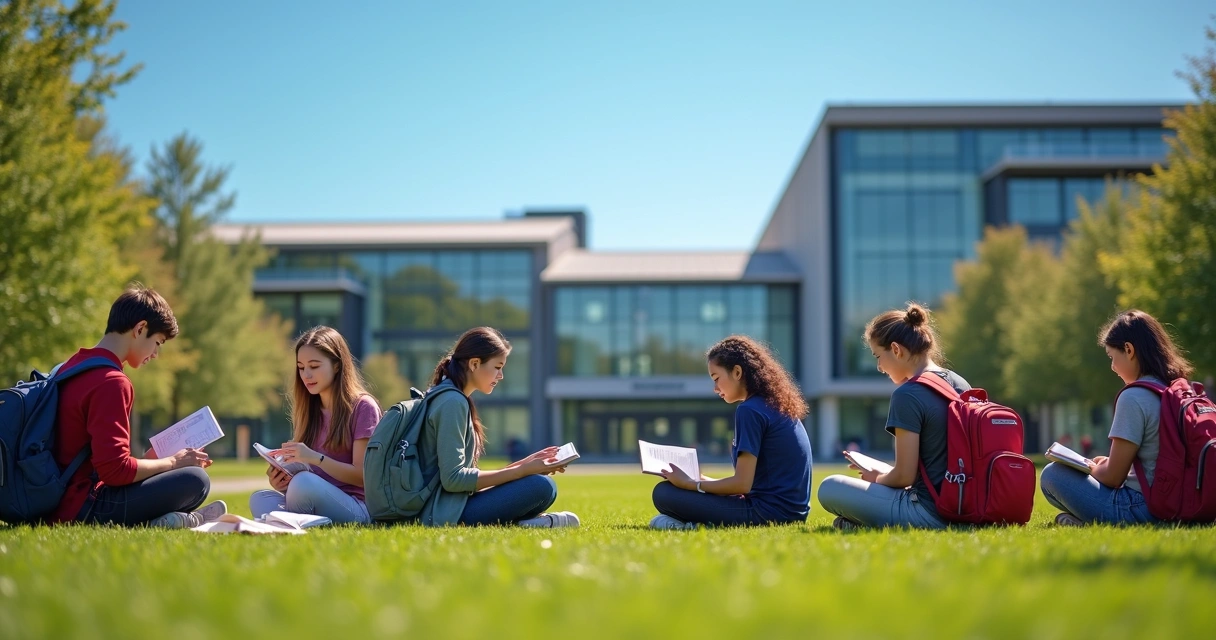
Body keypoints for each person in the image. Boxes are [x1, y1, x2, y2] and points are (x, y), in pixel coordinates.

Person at [51, 285, 225, 528]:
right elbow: (115, 471)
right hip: (82, 506)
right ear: (140, 328)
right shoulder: (112, 382)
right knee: (196, 480)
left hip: (55, 497)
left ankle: (167, 520)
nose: (155, 354)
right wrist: (174, 462)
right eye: (157, 342)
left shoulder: (70, 366)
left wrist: (151, 461)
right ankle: (168, 520)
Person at [817, 303, 963, 531]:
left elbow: (904, 477)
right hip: (964, 506)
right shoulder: (960, 383)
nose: (879, 367)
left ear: (896, 349)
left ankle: (862, 524)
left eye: (878, 356)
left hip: (928, 512)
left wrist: (877, 478)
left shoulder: (908, 394)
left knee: (829, 487)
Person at [1039, 310, 1192, 526]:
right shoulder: (1177, 390)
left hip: (1144, 507)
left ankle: (1090, 522)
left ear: (1129, 350)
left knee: (1052, 475)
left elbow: (1113, 477)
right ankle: (1084, 522)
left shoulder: (1134, 396)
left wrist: (1092, 467)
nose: (1112, 367)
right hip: (1182, 503)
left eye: (1112, 357)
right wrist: (1108, 463)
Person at [417, 327, 579, 527]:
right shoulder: (452, 402)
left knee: (543, 486)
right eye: (497, 367)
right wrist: (522, 471)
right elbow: (454, 480)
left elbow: (466, 480)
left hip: (451, 504)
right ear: (474, 364)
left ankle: (527, 523)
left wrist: (527, 464)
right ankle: (526, 523)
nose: (501, 375)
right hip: (442, 512)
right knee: (541, 487)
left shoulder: (452, 397)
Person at [650, 335, 812, 529]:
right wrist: (699, 480)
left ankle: (693, 526)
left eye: (716, 378)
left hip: (767, 514)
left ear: (737, 372)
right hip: (792, 513)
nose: (715, 388)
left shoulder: (749, 410)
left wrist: (690, 484)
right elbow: (749, 486)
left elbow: (742, 484)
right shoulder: (775, 405)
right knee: (673, 490)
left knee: (664, 493)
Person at [249, 326, 382, 525]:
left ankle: (290, 523)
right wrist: (282, 482)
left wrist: (315, 458)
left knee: (303, 483)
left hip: (357, 507)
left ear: (337, 365)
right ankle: (300, 521)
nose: (306, 375)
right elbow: (310, 478)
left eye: (314, 366)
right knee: (259, 498)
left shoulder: (363, 407)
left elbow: (362, 476)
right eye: (301, 368)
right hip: (316, 494)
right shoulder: (309, 410)